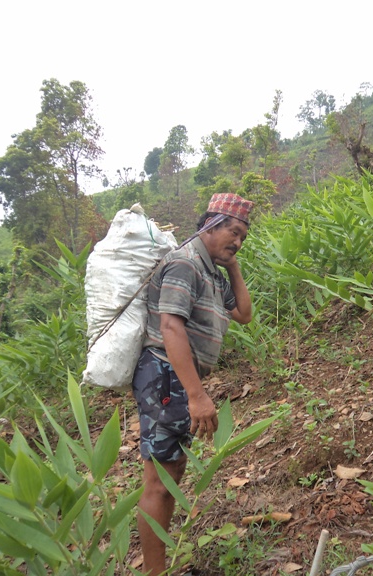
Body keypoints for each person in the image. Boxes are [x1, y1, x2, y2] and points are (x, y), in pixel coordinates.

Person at [132, 192, 254, 575]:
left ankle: (159, 568)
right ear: (210, 225)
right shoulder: (185, 263)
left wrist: (233, 266)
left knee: (171, 473)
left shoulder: (209, 271)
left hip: (175, 378)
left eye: (243, 237)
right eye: (232, 232)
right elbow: (170, 327)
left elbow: (243, 313)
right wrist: (196, 395)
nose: (237, 241)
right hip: (164, 375)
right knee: (160, 481)